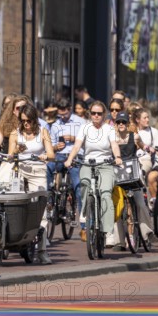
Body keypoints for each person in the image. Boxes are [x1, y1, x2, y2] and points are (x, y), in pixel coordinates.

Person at [65, 101, 123, 240]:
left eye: (99, 113)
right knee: (83, 184)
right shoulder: (85, 128)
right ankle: (86, 213)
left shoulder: (109, 129)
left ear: (104, 115)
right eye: (93, 113)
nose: (96, 116)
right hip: (88, 163)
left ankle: (108, 229)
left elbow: (114, 145)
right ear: (90, 114)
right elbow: (77, 146)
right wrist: (70, 159)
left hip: (105, 164)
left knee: (105, 193)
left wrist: (118, 157)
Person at [7, 104, 55, 264]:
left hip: (38, 172)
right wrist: (16, 152)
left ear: (35, 120)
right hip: (20, 170)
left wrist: (44, 156)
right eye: (23, 121)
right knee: (14, 203)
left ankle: (42, 251)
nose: (25, 124)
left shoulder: (43, 132)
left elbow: (51, 154)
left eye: (28, 121)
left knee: (41, 211)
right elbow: (9, 156)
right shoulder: (16, 133)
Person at [110, 111, 155, 250]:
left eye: (124, 122)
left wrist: (148, 148)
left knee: (140, 203)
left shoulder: (134, 136)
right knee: (117, 206)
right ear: (116, 124)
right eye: (119, 122)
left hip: (132, 173)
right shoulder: (112, 138)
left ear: (128, 124)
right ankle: (119, 241)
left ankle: (147, 234)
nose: (121, 124)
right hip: (118, 174)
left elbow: (142, 145)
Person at [47, 98, 86, 240]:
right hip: (59, 155)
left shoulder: (80, 122)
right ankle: (49, 198)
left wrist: (74, 138)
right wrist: (56, 147)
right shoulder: (55, 125)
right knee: (47, 168)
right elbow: (50, 146)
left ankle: (84, 227)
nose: (62, 117)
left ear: (70, 109)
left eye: (65, 114)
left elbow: (88, 141)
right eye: (60, 114)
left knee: (79, 187)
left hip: (74, 156)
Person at [132, 107, 158, 175]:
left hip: (146, 160)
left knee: (141, 173)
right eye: (145, 118)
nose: (147, 120)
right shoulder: (132, 131)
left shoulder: (153, 131)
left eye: (148, 117)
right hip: (134, 160)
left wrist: (156, 166)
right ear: (138, 120)